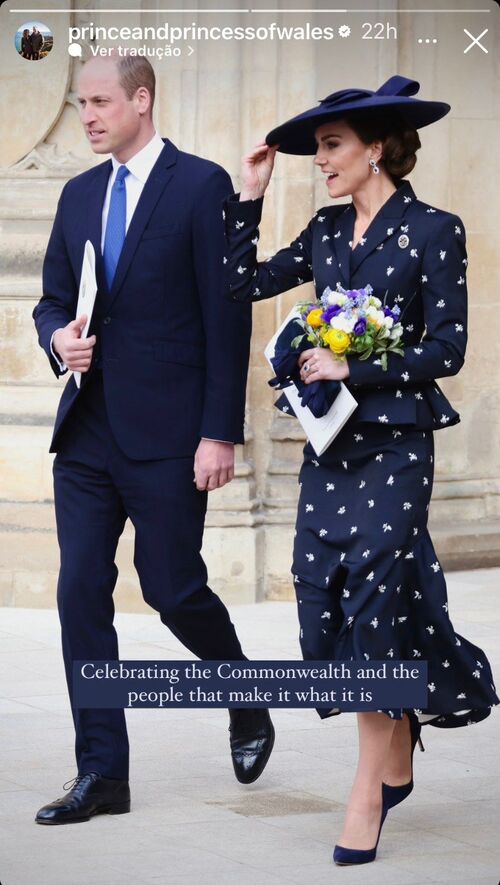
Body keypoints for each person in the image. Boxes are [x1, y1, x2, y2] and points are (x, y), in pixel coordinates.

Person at [224, 75, 498, 865]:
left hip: (399, 444)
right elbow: (242, 283)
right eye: (315, 150)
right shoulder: (324, 229)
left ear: (377, 147)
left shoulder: (435, 230)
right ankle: (403, 720)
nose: (320, 160)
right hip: (331, 449)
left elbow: (449, 349)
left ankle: (367, 790)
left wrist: (355, 365)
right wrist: (252, 192)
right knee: (323, 603)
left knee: (378, 603)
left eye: (331, 146)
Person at [32, 54, 274, 826]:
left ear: (142, 100)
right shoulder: (76, 196)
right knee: (79, 592)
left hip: (171, 433)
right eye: (81, 104)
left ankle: (244, 691)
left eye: (101, 101)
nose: (89, 115)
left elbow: (225, 315)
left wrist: (219, 434)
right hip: (88, 431)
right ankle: (102, 770)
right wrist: (57, 341)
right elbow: (49, 302)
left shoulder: (201, 185)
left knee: (171, 588)